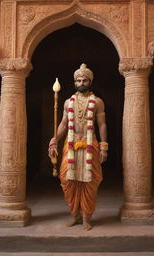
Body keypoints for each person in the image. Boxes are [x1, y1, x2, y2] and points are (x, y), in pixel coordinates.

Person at [48, 63, 108, 231]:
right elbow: (63, 124)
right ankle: (74, 215)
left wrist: (104, 146)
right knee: (67, 179)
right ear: (74, 82)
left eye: (85, 80)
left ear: (90, 82)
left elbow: (102, 125)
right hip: (71, 145)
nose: (81, 83)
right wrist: (54, 139)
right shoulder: (68, 102)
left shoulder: (97, 102)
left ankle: (86, 217)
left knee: (90, 182)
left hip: (90, 144)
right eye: (78, 80)